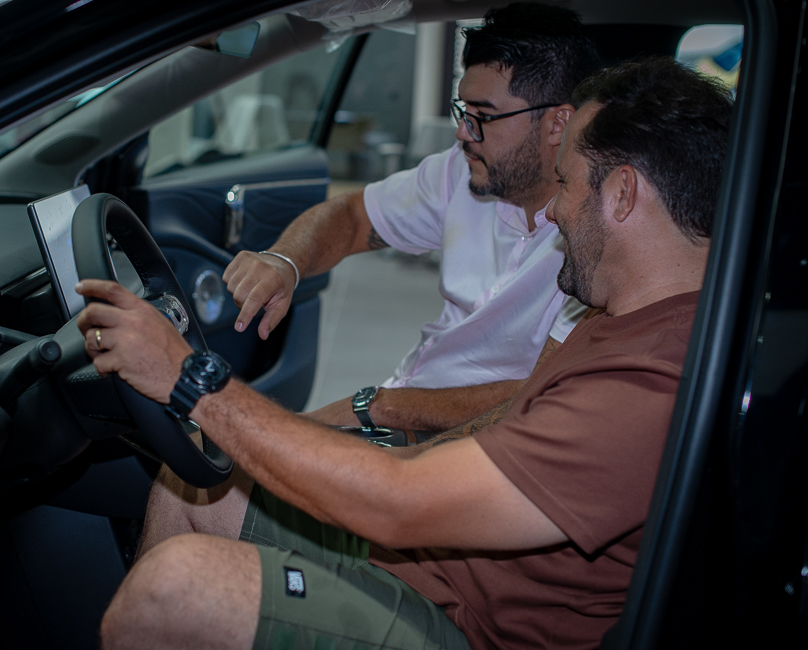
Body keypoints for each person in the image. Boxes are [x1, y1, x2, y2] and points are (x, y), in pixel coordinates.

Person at [75, 57, 732, 650]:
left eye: (567, 184)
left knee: (173, 591)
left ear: (622, 193)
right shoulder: (614, 320)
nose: (554, 211)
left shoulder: (650, 383)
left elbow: (400, 504)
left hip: (479, 640)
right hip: (435, 566)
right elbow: (491, 433)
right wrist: (366, 444)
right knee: (193, 485)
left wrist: (192, 381)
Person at [226, 3, 600, 432]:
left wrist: (376, 409)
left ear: (558, 123)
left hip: (471, 440)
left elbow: (543, 394)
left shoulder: (597, 238)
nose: (462, 132)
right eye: (463, 111)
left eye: (483, 116)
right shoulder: (461, 170)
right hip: (401, 407)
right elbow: (353, 216)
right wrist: (285, 262)